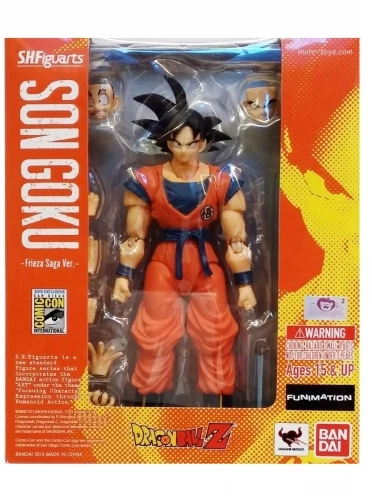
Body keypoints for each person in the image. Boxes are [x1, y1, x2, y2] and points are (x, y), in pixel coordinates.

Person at [112, 76, 257, 406]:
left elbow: (236, 242)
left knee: (216, 334)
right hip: (163, 264)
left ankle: (219, 404)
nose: (183, 151)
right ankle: (147, 404)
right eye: (176, 144)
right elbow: (134, 237)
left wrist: (245, 284)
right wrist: (124, 276)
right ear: (167, 143)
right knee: (155, 335)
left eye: (190, 144)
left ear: (202, 143)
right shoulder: (147, 180)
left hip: (206, 264)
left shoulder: (221, 181)